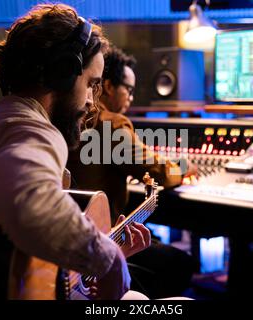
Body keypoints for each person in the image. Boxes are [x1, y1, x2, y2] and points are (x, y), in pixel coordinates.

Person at [0, 4, 151, 300]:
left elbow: (16, 248)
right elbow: (28, 201)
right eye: (90, 84)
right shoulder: (32, 129)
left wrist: (87, 263)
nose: (92, 102)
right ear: (64, 73)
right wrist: (110, 259)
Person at [67, 46, 198, 298]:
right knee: (180, 263)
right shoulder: (112, 124)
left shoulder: (69, 119)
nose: (131, 98)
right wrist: (185, 166)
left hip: (73, 244)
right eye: (128, 89)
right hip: (101, 243)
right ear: (106, 86)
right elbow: (158, 172)